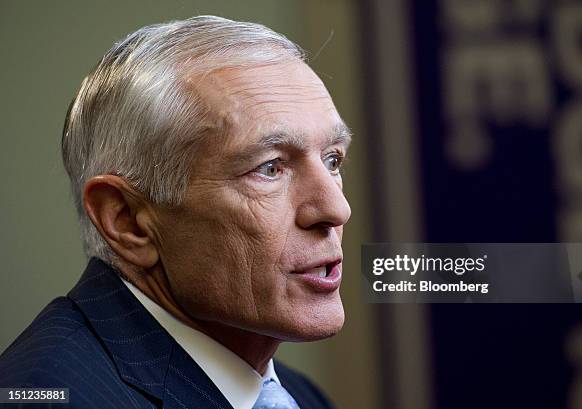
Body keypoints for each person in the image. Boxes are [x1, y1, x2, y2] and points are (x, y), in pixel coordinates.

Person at [0, 15, 352, 409]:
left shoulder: (296, 396)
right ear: (128, 221)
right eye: (269, 168)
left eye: (333, 160)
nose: (336, 209)